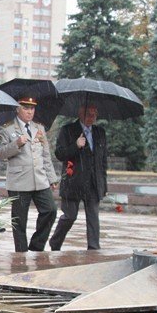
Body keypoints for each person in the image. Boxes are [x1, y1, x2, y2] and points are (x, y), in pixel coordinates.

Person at [0, 97, 58, 252]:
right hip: (19, 181)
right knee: (19, 221)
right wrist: (16, 144)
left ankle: (36, 246)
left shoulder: (39, 128)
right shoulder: (7, 129)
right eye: (25, 108)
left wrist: (52, 178)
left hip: (40, 179)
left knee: (50, 210)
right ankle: (21, 254)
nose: (30, 112)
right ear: (17, 109)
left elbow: (45, 155)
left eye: (32, 108)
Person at [49, 104, 108, 251]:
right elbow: (60, 154)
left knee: (93, 217)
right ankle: (55, 242)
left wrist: (103, 185)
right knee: (70, 216)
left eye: (94, 115)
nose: (92, 118)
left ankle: (94, 248)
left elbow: (103, 161)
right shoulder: (68, 130)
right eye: (88, 114)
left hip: (93, 183)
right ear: (80, 114)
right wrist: (76, 145)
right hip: (73, 182)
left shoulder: (100, 132)